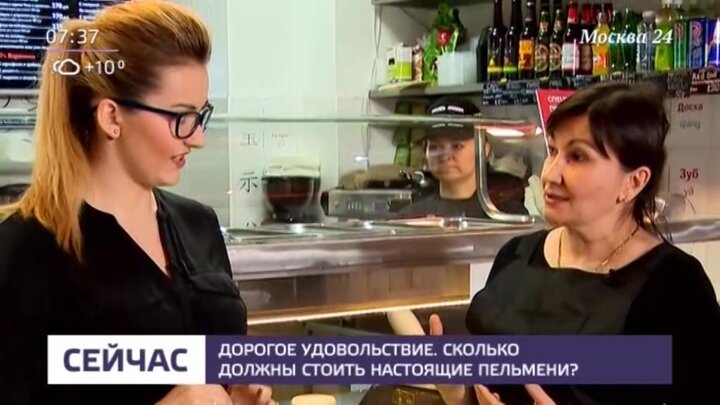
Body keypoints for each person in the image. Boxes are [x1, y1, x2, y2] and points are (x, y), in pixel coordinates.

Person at [0, 1, 273, 404]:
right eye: (180, 117)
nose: (197, 138)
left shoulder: (198, 224)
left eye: (201, 115)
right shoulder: (24, 252)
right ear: (112, 117)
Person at [430, 82, 720, 404]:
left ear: (633, 182)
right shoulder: (516, 255)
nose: (551, 174)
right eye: (553, 151)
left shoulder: (676, 286)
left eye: (577, 156)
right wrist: (458, 393)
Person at [400, 97, 529, 219]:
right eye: (435, 147)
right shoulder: (411, 217)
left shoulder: (506, 215)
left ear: (484, 149)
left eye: (457, 146)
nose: (445, 155)